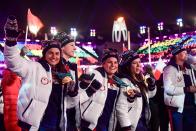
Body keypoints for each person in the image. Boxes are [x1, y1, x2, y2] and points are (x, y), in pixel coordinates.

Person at [3, 15, 76, 131]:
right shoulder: (34, 67)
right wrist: (11, 41)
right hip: (36, 125)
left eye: (57, 53)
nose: (54, 56)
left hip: (58, 124)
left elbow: (69, 104)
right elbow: (13, 62)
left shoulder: (65, 73)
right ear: (44, 54)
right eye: (50, 53)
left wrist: (73, 93)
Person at [79, 48, 122, 131]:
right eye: (110, 62)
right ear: (103, 63)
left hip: (106, 125)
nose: (113, 65)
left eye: (115, 62)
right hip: (89, 125)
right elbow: (78, 98)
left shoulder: (118, 81)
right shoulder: (95, 74)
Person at [116, 50, 156, 131]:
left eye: (139, 62)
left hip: (143, 121)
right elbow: (121, 106)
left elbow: (149, 96)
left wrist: (152, 86)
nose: (138, 65)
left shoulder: (140, 78)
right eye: (134, 63)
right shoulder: (125, 81)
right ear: (128, 66)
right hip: (133, 124)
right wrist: (126, 127)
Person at [163, 44, 196, 131]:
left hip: (191, 106)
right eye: (184, 53)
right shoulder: (169, 69)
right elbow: (168, 89)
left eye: (186, 53)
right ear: (177, 55)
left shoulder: (189, 68)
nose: (186, 54)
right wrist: (187, 89)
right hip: (177, 109)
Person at [54, 32, 79, 131]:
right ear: (62, 47)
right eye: (72, 45)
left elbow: (73, 96)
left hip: (70, 118)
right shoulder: (53, 65)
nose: (75, 48)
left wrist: (74, 92)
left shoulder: (72, 66)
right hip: (54, 118)